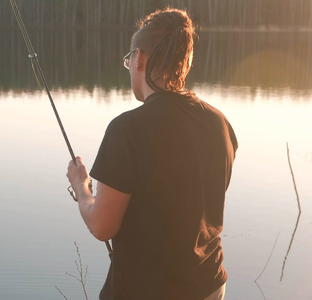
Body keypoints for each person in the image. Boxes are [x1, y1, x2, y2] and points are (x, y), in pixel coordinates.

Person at [67, 7, 237, 300]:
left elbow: (102, 226)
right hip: (210, 285)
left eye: (129, 58)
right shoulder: (219, 122)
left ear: (140, 58)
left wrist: (82, 189)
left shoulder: (127, 130)